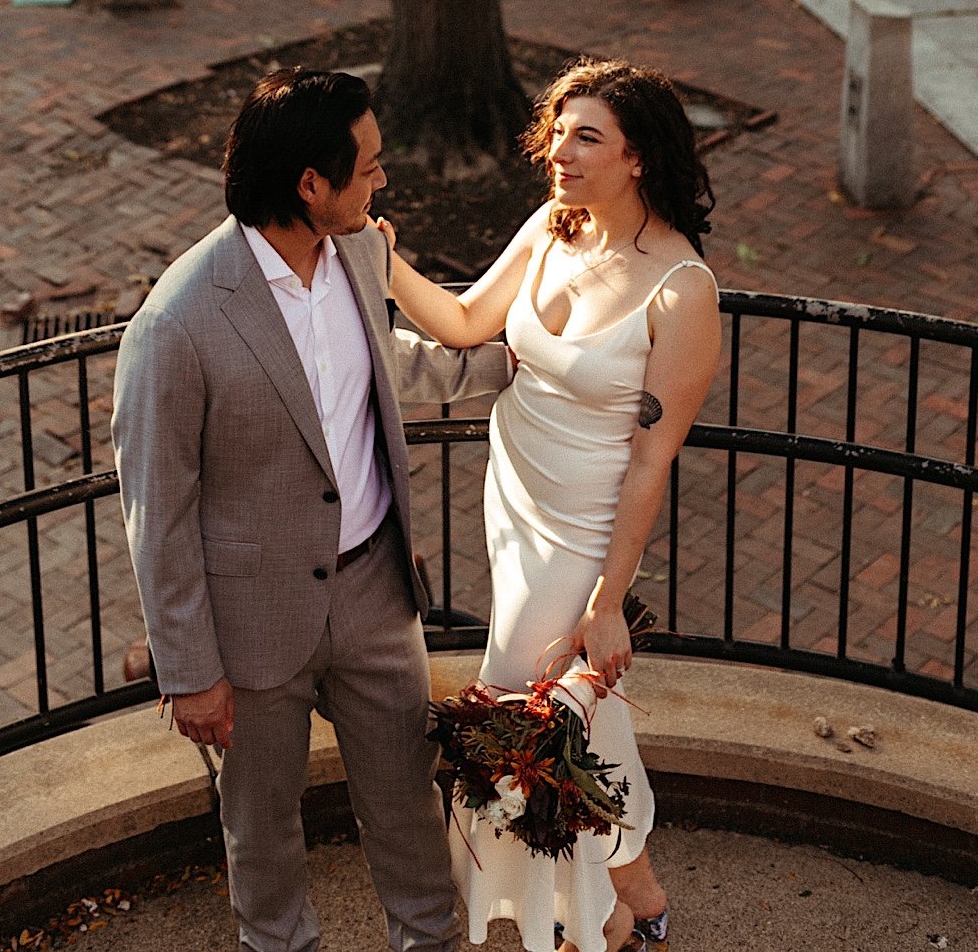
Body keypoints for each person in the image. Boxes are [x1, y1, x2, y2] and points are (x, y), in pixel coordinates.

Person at [111, 67, 513, 952]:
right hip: (249, 625)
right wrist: (190, 669)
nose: (382, 182)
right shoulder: (177, 322)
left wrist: (513, 365)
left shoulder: (360, 252)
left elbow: (385, 359)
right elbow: (158, 507)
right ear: (309, 184)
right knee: (262, 836)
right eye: (367, 167)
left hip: (375, 593)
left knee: (411, 809)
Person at [378, 59, 722, 952]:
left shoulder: (683, 291)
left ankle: (574, 924)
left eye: (586, 137)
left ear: (638, 156)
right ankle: (629, 903)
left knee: (516, 719)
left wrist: (609, 601)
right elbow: (462, 323)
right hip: (515, 500)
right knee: (574, 717)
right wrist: (384, 264)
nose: (558, 152)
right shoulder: (552, 226)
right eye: (559, 131)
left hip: (584, 529)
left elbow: (651, 461)